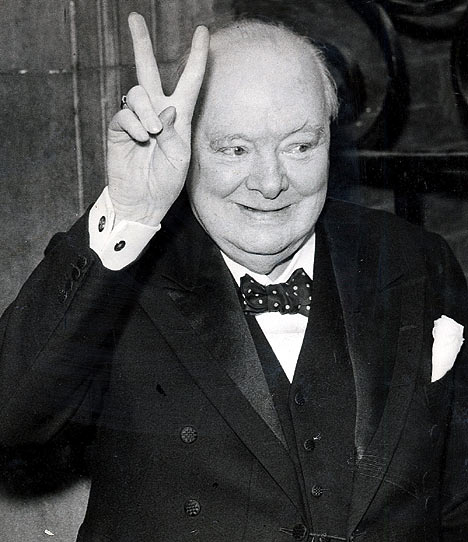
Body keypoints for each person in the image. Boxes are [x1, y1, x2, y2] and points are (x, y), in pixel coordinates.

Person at [1, 11, 467, 542]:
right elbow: (12, 416)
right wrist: (131, 212)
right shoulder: (120, 276)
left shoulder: (415, 260)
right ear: (186, 147)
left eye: (300, 145)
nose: (270, 182)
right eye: (235, 149)